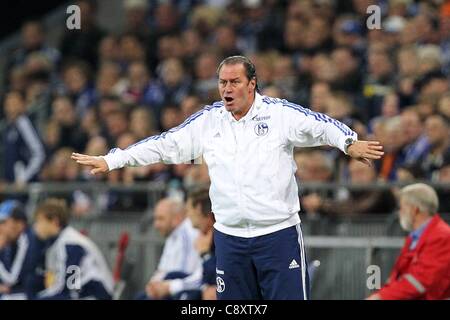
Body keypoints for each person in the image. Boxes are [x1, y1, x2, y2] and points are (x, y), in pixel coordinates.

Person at [72, 55, 384, 300]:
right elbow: (165, 145)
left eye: (234, 82)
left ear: (252, 84)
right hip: (230, 239)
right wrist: (113, 160)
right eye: (222, 82)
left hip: (277, 234)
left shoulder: (279, 114)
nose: (227, 89)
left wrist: (348, 141)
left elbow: (319, 124)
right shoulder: (209, 121)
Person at [367, 183, 450, 300]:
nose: (399, 212)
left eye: (402, 207)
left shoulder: (441, 236)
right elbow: (400, 276)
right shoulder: (415, 236)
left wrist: (381, 297)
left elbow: (420, 281)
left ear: (415, 209)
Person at [33, 198, 114, 300]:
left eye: (40, 221)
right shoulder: (59, 242)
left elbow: (71, 285)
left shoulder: (71, 244)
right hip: (83, 292)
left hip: (96, 294)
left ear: (54, 221)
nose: (36, 226)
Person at [141, 197, 202, 300]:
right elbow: (162, 270)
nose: (156, 225)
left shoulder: (186, 234)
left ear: (176, 219)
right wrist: (153, 285)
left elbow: (181, 274)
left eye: (161, 219)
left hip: (183, 291)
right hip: (170, 287)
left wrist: (162, 287)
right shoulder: (172, 236)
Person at [0, 200, 45, 300]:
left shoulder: (32, 241)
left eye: (4, 222)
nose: (0, 227)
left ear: (20, 224)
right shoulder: (9, 242)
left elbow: (13, 279)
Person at [185, 188, 216, 300]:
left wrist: (205, 254)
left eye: (188, 210)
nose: (187, 216)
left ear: (198, 208)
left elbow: (216, 277)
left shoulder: (218, 235)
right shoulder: (204, 235)